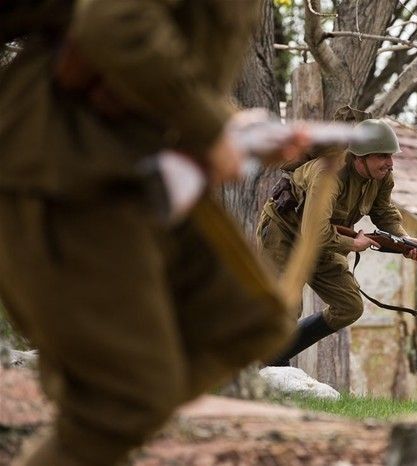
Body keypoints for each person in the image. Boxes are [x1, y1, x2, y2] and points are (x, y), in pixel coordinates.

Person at [0, 1, 307, 465]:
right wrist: (209, 126)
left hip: (132, 162)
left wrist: (224, 126)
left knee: (242, 323)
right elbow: (114, 21)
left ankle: (103, 401)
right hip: (66, 160)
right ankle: (106, 404)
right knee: (127, 400)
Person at [257, 118, 417, 366]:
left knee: (349, 306)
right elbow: (314, 231)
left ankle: (278, 354)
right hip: (284, 233)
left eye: (391, 156)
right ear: (360, 158)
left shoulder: (382, 177)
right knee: (287, 307)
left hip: (325, 238)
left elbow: (384, 213)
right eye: (382, 156)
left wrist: (404, 241)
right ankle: (269, 365)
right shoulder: (327, 174)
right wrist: (354, 245)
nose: (390, 163)